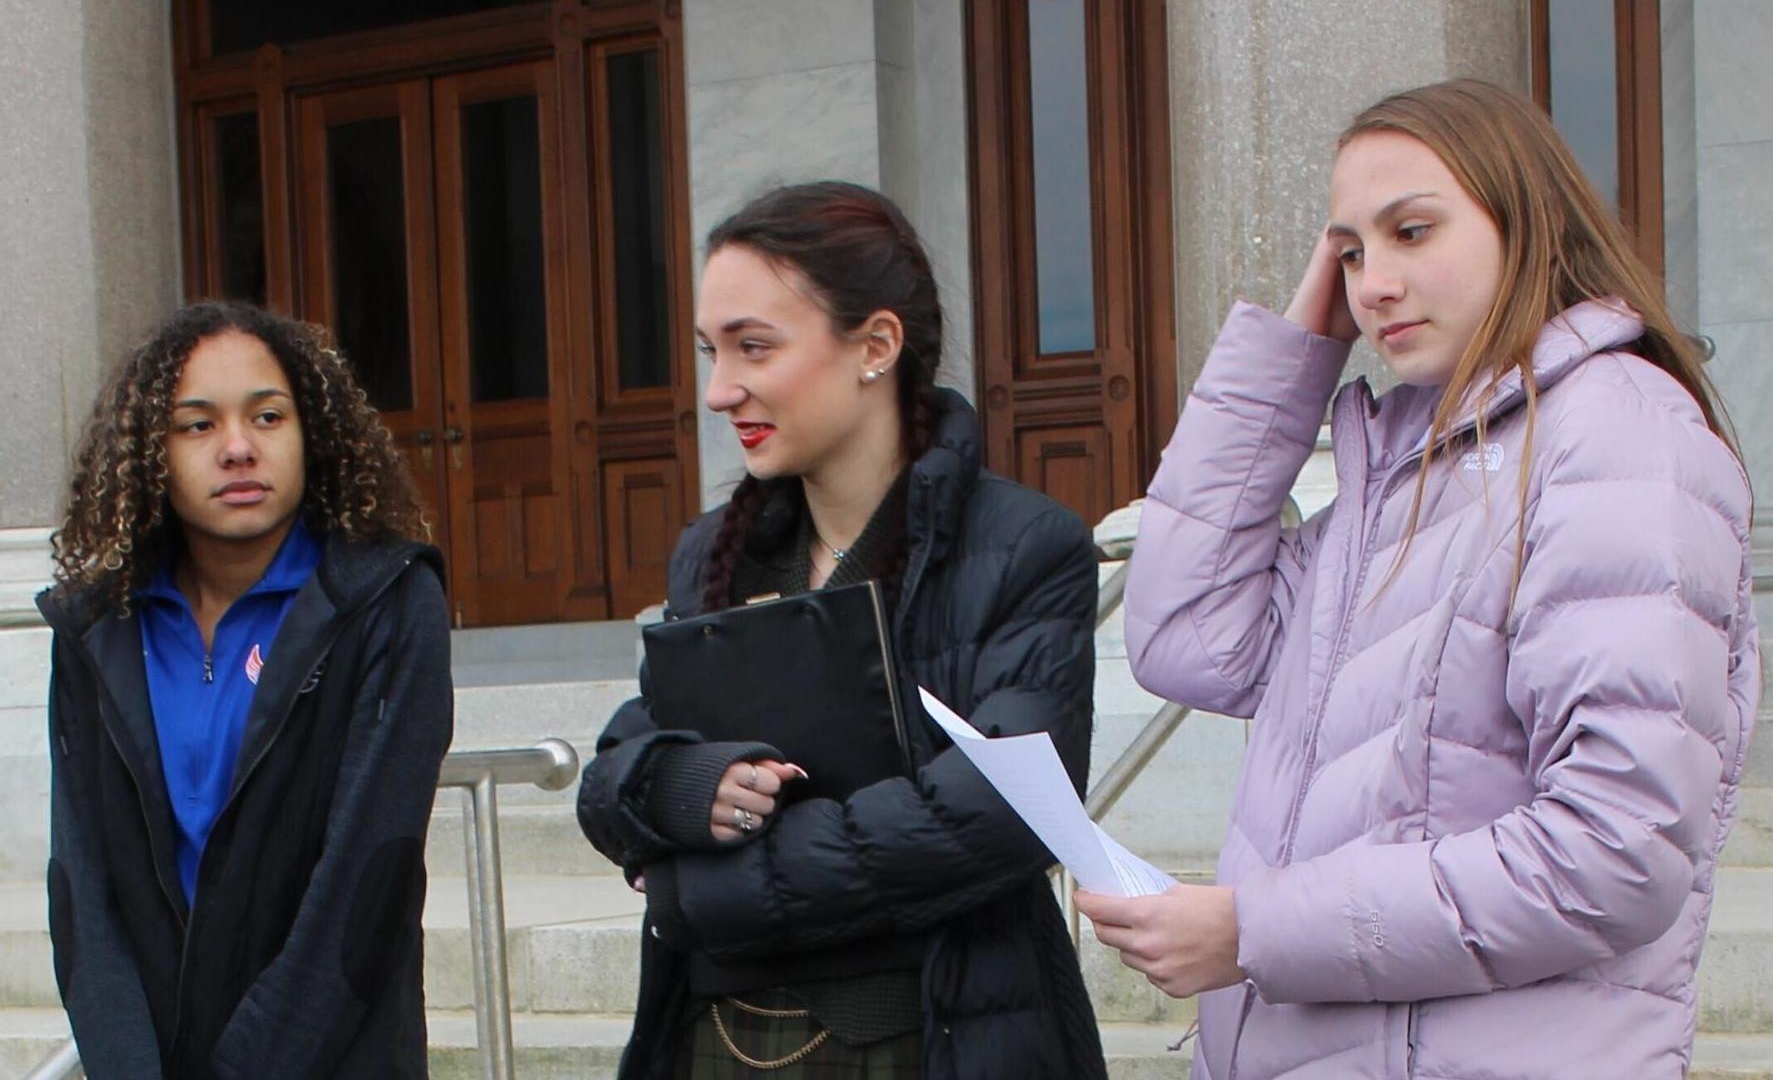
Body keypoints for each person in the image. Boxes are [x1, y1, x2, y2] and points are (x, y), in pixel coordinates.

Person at [1078, 78, 1760, 1080]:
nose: (1372, 284)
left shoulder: (1617, 435)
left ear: (1525, 222)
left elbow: (1615, 854)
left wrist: (1255, 932)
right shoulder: (1407, 461)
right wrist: (1293, 356)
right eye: (1349, 252)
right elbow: (1187, 639)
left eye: (1413, 232)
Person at [578, 181, 1108, 1080]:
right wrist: (689, 787)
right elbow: (616, 774)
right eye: (711, 351)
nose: (718, 390)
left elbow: (997, 809)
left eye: (753, 347)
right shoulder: (716, 554)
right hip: (718, 1040)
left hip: (927, 1037)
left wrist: (697, 887)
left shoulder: (1021, 545)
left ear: (875, 345)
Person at [39, 301, 454, 1079]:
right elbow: (82, 895)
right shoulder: (95, 626)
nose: (237, 448)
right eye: (196, 425)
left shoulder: (385, 603)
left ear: (312, 432)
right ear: (149, 452)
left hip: (328, 1057)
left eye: (267, 416)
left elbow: (364, 891)